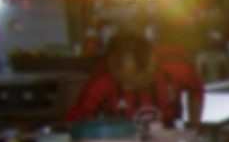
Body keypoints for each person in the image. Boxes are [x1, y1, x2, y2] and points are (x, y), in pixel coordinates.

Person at [66, 32, 204, 130]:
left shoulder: (175, 68)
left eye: (132, 79)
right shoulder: (101, 81)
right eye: (121, 78)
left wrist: (194, 126)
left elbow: (196, 90)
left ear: (151, 67)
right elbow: (77, 121)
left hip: (168, 136)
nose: (126, 86)